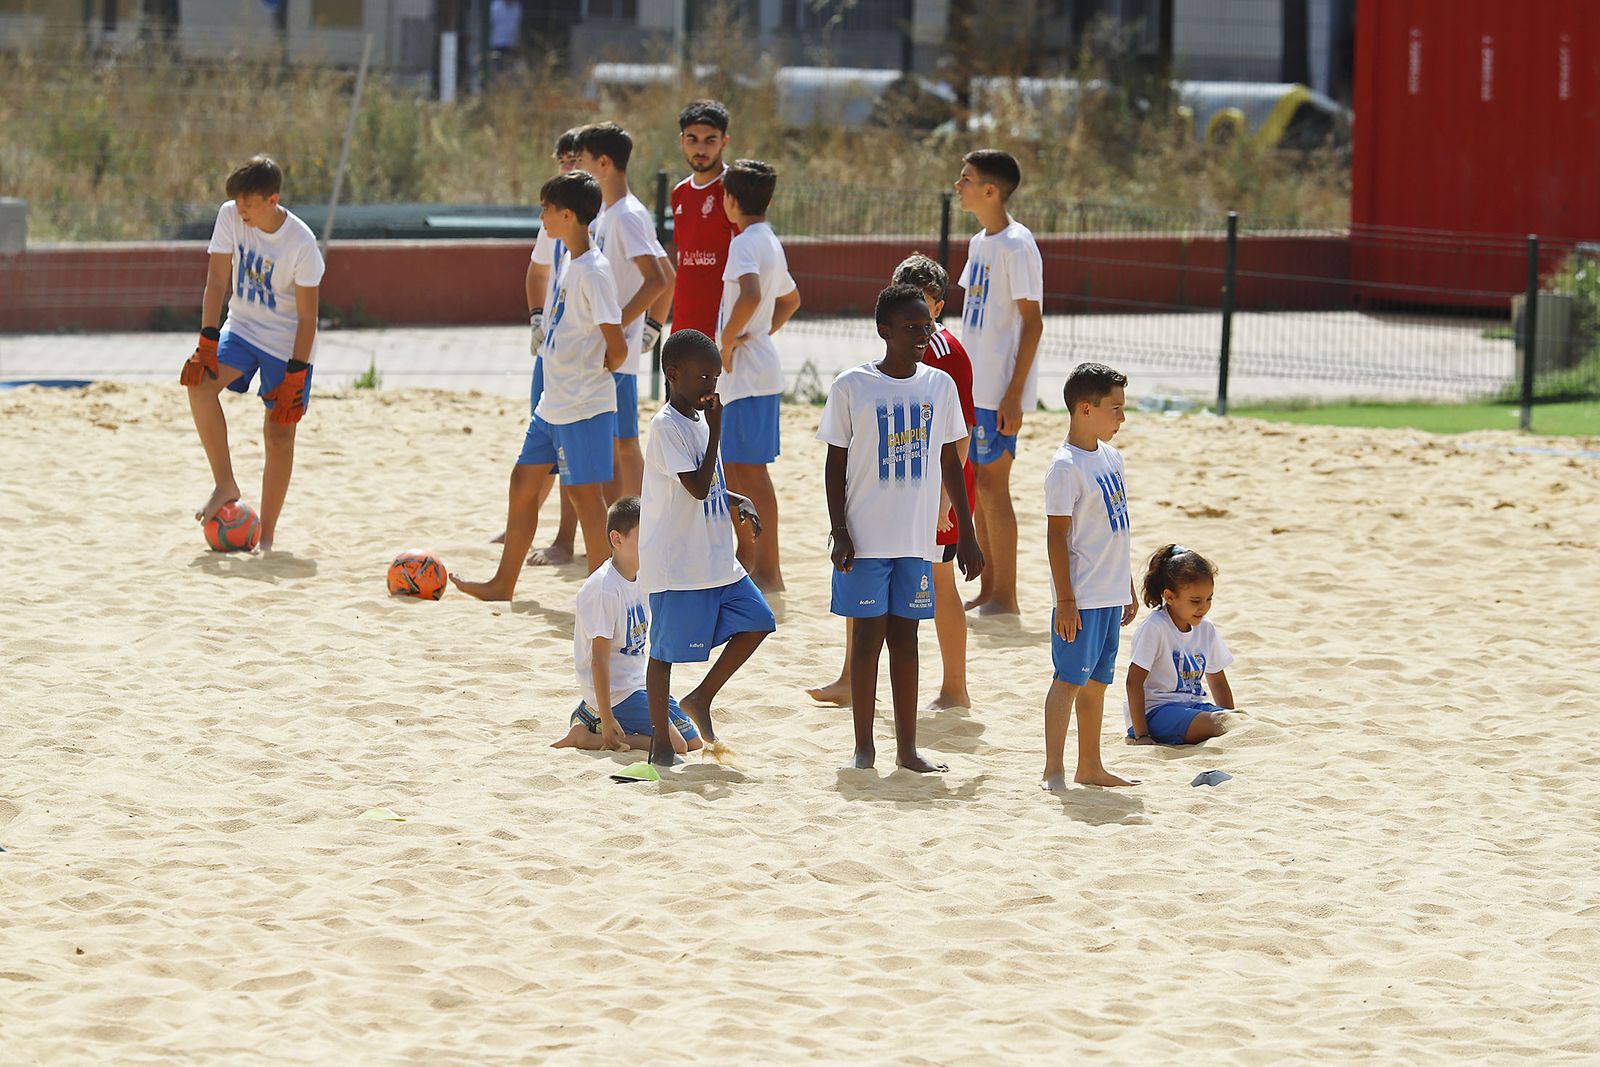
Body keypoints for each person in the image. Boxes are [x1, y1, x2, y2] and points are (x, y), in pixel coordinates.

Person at [819, 284, 982, 773]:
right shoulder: (852, 386)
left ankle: (907, 750)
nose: (922, 335)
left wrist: (967, 534)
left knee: (907, 641)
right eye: (911, 328)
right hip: (865, 541)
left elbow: (951, 464)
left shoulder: (939, 386)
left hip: (916, 540)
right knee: (867, 641)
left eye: (926, 327)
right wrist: (839, 530)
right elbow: (834, 464)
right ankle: (864, 748)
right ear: (884, 331)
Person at [452, 171, 625, 601]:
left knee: (588, 502)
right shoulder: (570, 260)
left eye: (546, 208)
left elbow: (618, 346)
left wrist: (595, 369)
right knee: (522, 482)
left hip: (583, 405)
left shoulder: (595, 271)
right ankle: (503, 584)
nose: (541, 215)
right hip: (554, 403)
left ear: (567, 215)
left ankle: (611, 600)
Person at [639, 330, 775, 772]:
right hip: (679, 565)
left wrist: (736, 499)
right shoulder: (666, 428)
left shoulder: (698, 422)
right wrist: (717, 431)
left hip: (716, 559)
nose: (710, 387)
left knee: (758, 622)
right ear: (673, 374)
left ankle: (701, 697)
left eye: (715, 377)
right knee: (663, 656)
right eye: (702, 376)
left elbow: (709, 484)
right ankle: (661, 742)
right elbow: (695, 487)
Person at [182, 154, 324, 552]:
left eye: (249, 203)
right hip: (242, 329)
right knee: (199, 386)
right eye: (237, 202)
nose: (240, 210)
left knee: (279, 434)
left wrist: (296, 373)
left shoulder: (302, 243)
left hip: (287, 342)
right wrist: (208, 340)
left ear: (272, 199)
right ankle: (225, 482)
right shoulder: (229, 216)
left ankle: (268, 535)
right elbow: (215, 281)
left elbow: (309, 318)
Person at [953, 148, 1044, 618]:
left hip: (1000, 391)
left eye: (965, 178)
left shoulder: (1016, 243)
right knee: (979, 487)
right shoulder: (980, 243)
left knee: (994, 487)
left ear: (990, 189)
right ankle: (989, 590)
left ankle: (1005, 596)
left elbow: (1033, 322)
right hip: (975, 388)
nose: (957, 185)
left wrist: (1014, 392)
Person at [1041, 362, 1140, 790]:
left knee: (1098, 684)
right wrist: (1065, 600)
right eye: (1114, 409)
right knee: (1068, 680)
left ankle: (1090, 766)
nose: (1122, 418)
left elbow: (1118, 530)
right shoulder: (1065, 467)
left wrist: (1128, 586)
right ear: (1085, 408)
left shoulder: (1111, 457)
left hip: (1110, 593)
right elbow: (1056, 538)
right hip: (1080, 599)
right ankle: (1053, 770)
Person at [551, 497, 704, 756]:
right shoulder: (604, 588)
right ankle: (588, 734)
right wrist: (609, 718)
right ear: (617, 539)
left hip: (639, 685)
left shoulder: (642, 577)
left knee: (693, 742)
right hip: (617, 693)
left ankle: (593, 717)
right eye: (644, 536)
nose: (652, 543)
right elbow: (598, 659)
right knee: (676, 747)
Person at [576, 122, 674, 504]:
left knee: (626, 443)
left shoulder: (626, 215)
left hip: (617, 349)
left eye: (582, 160)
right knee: (612, 443)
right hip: (610, 346)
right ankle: (624, 528)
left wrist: (625, 326)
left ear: (602, 163)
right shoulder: (609, 212)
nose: (578, 166)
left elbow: (658, 279)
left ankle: (643, 525)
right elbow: (666, 274)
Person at [716, 158, 801, 592]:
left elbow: (750, 294)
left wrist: (730, 339)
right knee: (736, 470)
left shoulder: (746, 242)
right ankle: (749, 560)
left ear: (731, 200)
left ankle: (768, 569)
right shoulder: (768, 239)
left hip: (747, 375)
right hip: (752, 371)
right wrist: (757, 332)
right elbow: (791, 299)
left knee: (748, 472)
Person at [506, 127, 583, 562]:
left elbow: (656, 277)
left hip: (584, 361)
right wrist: (538, 319)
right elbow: (537, 272)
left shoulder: (601, 220)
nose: (570, 166)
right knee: (542, 449)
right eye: (564, 159)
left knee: (589, 458)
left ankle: (569, 540)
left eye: (578, 158)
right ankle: (522, 527)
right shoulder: (553, 219)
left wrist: (638, 331)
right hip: (552, 351)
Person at [1124, 544, 1234, 745]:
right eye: (1195, 601)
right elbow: (1133, 682)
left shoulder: (1206, 629)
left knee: (1237, 721)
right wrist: (1142, 735)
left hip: (1192, 708)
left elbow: (1217, 681)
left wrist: (1234, 723)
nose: (1204, 607)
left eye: (1209, 599)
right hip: (1154, 713)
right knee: (1216, 724)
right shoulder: (1155, 627)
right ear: (1170, 597)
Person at [670, 100, 736, 340]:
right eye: (692, 139)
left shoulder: (732, 189)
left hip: (721, 327)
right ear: (682, 141)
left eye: (710, 140)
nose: (700, 149)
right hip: (683, 325)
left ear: (724, 141)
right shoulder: (679, 192)